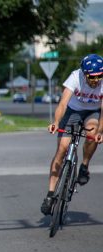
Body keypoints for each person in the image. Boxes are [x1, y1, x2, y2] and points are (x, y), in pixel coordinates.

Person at [41, 53, 103, 215]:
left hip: (93, 113)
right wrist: (55, 122)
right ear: (84, 73)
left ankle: (84, 166)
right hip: (73, 111)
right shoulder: (76, 77)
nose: (96, 80)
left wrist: (100, 132)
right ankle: (50, 195)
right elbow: (62, 104)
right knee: (62, 150)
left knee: (92, 132)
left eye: (99, 76)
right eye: (92, 76)